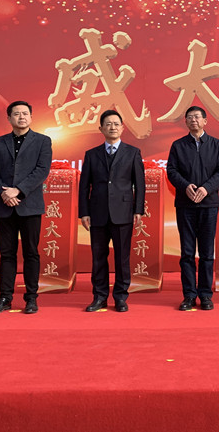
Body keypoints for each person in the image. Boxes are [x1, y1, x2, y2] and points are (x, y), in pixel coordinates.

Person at [0, 101, 52, 314]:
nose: (21, 117)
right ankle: (5, 297)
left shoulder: (42, 141)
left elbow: (42, 170)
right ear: (9, 118)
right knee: (7, 254)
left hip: (29, 205)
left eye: (25, 113)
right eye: (16, 114)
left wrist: (19, 191)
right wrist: (4, 193)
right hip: (5, 205)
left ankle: (31, 298)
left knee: (31, 253)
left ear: (31, 117)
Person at [79, 109, 145, 312]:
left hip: (123, 212)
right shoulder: (91, 154)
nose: (112, 127)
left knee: (122, 258)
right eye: (108, 124)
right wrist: (84, 212)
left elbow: (139, 184)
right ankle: (99, 297)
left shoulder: (132, 152)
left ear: (122, 128)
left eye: (116, 124)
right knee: (98, 257)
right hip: (97, 213)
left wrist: (138, 210)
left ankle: (121, 297)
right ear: (101, 128)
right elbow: (84, 186)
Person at [166, 106, 219, 311]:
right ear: (185, 122)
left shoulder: (216, 144)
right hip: (185, 205)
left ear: (205, 121)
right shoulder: (178, 145)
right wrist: (186, 186)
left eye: (197, 117)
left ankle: (205, 295)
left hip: (209, 204)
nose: (193, 120)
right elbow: (171, 171)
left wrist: (206, 188)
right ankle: (189, 295)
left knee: (207, 253)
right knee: (187, 253)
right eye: (190, 118)